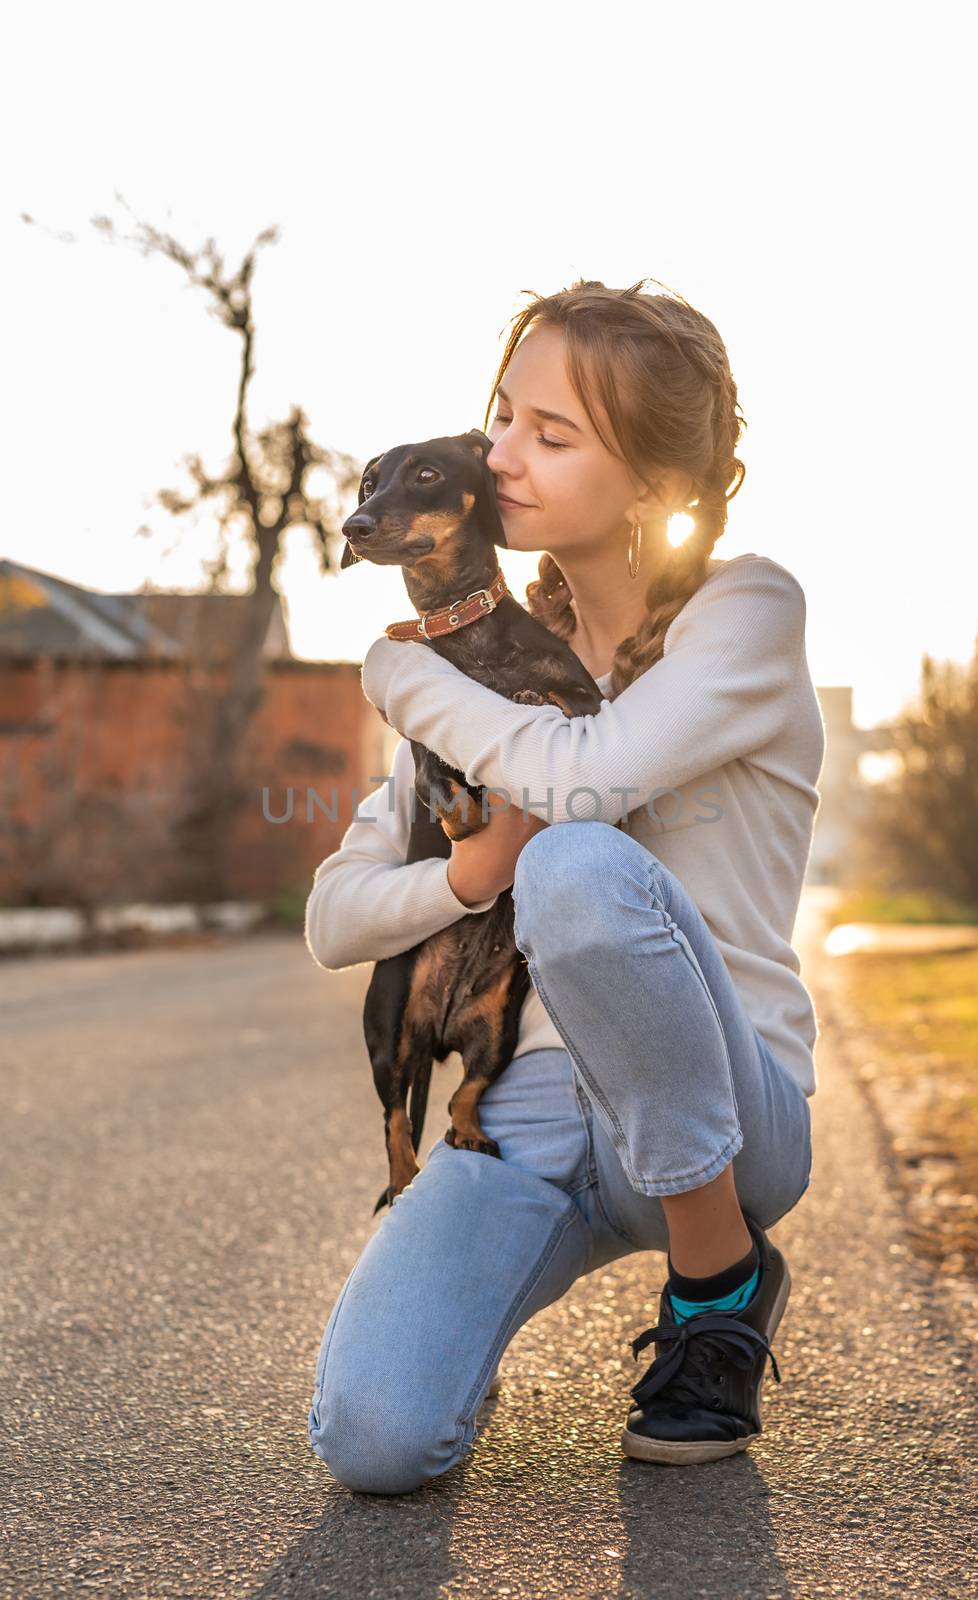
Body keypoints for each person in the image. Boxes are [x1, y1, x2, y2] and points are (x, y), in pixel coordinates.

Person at [304, 277, 825, 1492]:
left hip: (730, 1109)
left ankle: (719, 1282)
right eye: (499, 420)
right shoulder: (487, 674)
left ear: (652, 482)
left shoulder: (746, 611)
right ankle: (463, 1305)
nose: (502, 458)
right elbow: (337, 915)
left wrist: (399, 673)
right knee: (375, 1435)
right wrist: (471, 870)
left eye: (553, 434)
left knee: (585, 867)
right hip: (535, 1115)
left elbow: (589, 785)